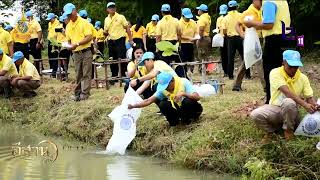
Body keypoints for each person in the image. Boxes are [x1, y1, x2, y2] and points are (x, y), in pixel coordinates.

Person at [250, 50, 320, 143]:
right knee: (255, 114)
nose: (293, 70)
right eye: (290, 67)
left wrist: (315, 105)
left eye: (296, 67)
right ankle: (272, 132)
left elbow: (309, 97)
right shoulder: (275, 73)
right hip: (275, 109)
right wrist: (305, 104)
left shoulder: (303, 77)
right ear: (283, 63)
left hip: (292, 113)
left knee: (289, 103)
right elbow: (287, 92)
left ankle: (288, 130)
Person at [245, 0, 291, 104]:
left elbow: (269, 24)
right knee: (285, 71)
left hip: (274, 40)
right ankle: (286, 99)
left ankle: (272, 100)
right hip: (286, 37)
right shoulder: (283, 1)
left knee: (271, 72)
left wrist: (251, 23)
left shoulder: (269, 2)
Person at [128, 72, 203, 126]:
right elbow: (148, 100)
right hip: (179, 110)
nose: (166, 88)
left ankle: (190, 119)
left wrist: (184, 94)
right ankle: (175, 122)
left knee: (187, 101)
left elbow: (197, 97)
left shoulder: (183, 82)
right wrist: (133, 106)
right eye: (164, 87)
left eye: (167, 86)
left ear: (172, 81)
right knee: (163, 104)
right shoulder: (163, 90)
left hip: (192, 109)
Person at [63, 3, 93, 101]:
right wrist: (68, 46)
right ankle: (77, 94)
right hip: (76, 53)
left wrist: (77, 44)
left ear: (75, 11)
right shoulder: (68, 26)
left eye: (70, 14)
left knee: (86, 73)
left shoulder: (84, 23)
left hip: (86, 51)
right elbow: (68, 40)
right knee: (78, 74)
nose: (69, 16)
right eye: (67, 15)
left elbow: (89, 37)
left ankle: (85, 94)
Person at [232, 0, 263, 91]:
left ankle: (236, 85)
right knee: (258, 61)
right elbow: (237, 25)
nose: (261, 2)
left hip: (259, 39)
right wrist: (242, 35)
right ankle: (266, 87)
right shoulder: (248, 12)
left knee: (247, 62)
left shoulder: (262, 10)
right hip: (251, 40)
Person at [104, 2, 133, 80]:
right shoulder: (106, 19)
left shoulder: (121, 17)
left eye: (113, 7)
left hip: (120, 40)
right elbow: (106, 31)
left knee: (122, 58)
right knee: (112, 59)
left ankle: (123, 76)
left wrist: (130, 39)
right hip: (111, 41)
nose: (112, 8)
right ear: (107, 9)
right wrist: (105, 33)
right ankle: (114, 76)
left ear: (115, 8)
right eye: (110, 7)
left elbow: (127, 28)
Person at [222, 0, 250, 80]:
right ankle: (247, 75)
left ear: (228, 8)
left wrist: (226, 34)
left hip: (230, 39)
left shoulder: (225, 18)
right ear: (237, 6)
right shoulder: (241, 15)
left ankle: (230, 75)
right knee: (245, 56)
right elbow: (245, 27)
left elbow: (224, 30)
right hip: (240, 37)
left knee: (230, 57)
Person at [178, 8, 198, 74]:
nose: (188, 19)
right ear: (182, 16)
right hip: (183, 44)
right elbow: (179, 35)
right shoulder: (179, 23)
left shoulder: (193, 22)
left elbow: (196, 31)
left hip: (192, 43)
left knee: (191, 58)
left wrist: (195, 37)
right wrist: (189, 38)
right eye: (187, 17)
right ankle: (184, 73)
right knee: (183, 60)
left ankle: (191, 72)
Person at [196, 4, 211, 68]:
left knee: (201, 54)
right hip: (207, 37)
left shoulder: (202, 18)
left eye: (199, 9)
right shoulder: (208, 17)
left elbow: (201, 29)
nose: (198, 11)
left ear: (201, 11)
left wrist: (200, 37)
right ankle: (206, 69)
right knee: (206, 54)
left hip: (203, 38)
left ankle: (202, 70)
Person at [216, 4, 228, 77]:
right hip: (222, 38)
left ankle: (228, 71)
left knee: (227, 55)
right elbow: (217, 29)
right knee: (224, 55)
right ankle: (225, 71)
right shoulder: (219, 19)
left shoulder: (228, 17)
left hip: (227, 37)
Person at [46, 13, 60, 77]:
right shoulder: (49, 24)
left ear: (53, 18)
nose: (49, 20)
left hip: (55, 41)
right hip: (50, 40)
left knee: (55, 57)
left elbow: (58, 33)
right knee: (50, 56)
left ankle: (54, 72)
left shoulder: (58, 23)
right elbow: (49, 31)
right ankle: (51, 70)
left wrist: (56, 43)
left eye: (50, 19)